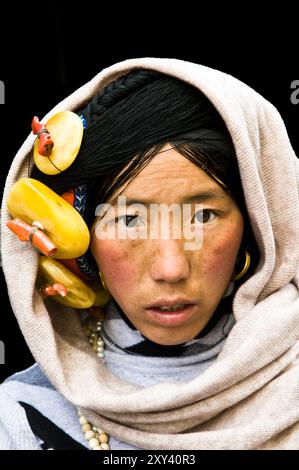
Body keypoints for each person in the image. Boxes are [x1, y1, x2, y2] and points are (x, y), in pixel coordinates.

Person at [0, 57, 298, 450]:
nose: (171, 269)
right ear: (79, 239)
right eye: (129, 221)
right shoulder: (19, 415)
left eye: (203, 216)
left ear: (259, 223)